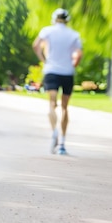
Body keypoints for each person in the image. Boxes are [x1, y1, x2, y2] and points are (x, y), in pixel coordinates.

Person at [32, 8, 83, 155]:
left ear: (54, 19)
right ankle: (62, 143)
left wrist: (44, 60)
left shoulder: (47, 31)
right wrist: (73, 65)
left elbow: (36, 45)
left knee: (52, 104)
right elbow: (78, 54)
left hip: (51, 70)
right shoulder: (74, 35)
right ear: (67, 20)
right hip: (67, 72)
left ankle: (54, 131)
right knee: (65, 107)